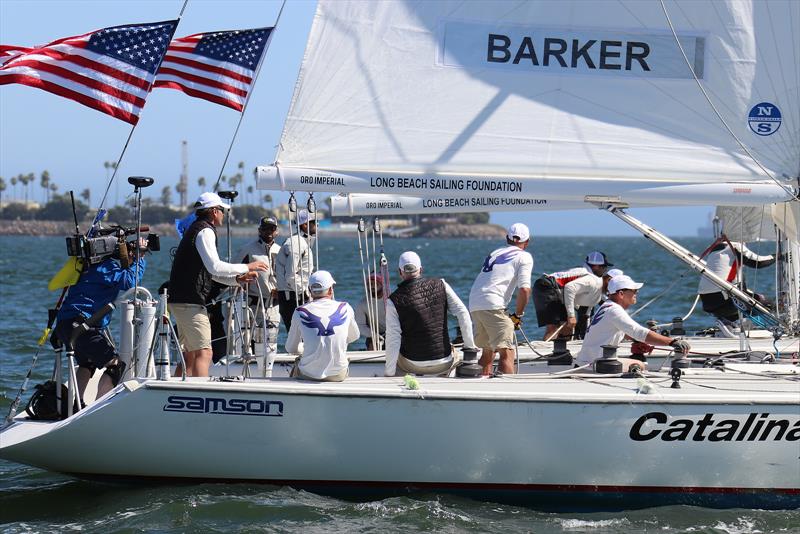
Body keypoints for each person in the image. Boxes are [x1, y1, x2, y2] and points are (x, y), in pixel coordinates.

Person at [168, 192, 267, 377]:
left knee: (190, 354)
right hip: (189, 302)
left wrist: (236, 280)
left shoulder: (196, 229)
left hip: (181, 300)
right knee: (204, 353)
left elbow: (210, 273)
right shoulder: (205, 231)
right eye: (222, 210)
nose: (224, 214)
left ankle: (177, 394)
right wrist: (246, 266)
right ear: (214, 211)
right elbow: (215, 267)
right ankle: (199, 397)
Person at [54, 238, 147, 402]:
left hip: (66, 325)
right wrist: (139, 257)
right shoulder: (106, 267)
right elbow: (130, 282)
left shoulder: (84, 266)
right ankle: (95, 409)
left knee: (86, 364)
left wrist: (130, 260)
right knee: (115, 366)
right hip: (82, 327)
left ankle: (76, 405)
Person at [386, 251, 476, 377]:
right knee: (452, 353)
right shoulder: (442, 285)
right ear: (421, 269)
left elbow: (393, 339)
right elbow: (463, 313)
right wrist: (470, 346)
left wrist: (388, 374)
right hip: (443, 362)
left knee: (397, 361)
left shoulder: (393, 300)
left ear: (400, 272)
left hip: (413, 363)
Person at [576, 275, 691, 370]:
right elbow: (638, 332)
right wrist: (672, 342)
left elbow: (622, 331)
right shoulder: (614, 310)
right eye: (634, 291)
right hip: (593, 365)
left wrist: (638, 341)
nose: (637, 293)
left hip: (587, 361)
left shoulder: (606, 306)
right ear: (621, 294)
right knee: (640, 365)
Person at [468, 223, 533, 375]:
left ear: (507, 238)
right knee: (507, 352)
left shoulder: (495, 252)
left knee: (488, 351)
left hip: (475, 303)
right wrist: (518, 315)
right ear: (527, 242)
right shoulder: (524, 256)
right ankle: (510, 393)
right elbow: (524, 289)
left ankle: (482, 386)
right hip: (493, 303)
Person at [285, 270, 359, 381]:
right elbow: (355, 336)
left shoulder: (300, 311)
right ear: (330, 289)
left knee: (298, 363)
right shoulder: (345, 308)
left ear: (310, 291)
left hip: (308, 374)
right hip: (338, 375)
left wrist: (305, 347)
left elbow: (290, 348)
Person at [532, 251, 614, 340]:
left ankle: (561, 351)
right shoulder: (590, 279)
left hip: (547, 286)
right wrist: (571, 316)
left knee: (567, 327)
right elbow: (569, 288)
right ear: (595, 266)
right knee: (554, 328)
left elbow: (585, 311)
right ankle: (548, 351)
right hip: (547, 286)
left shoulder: (587, 274)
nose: (605, 270)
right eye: (604, 267)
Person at [698, 240, 775, 323]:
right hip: (725, 301)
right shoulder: (735, 246)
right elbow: (758, 262)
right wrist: (777, 256)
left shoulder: (714, 251)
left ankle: (729, 323)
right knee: (768, 303)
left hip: (706, 303)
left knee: (743, 297)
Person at [237, 216, 281, 353]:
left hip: (274, 306)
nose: (268, 231)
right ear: (259, 230)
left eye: (272, 228)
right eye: (265, 228)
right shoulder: (248, 249)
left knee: (270, 345)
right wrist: (242, 280)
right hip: (254, 305)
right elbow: (234, 271)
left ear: (277, 231)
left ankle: (267, 371)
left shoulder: (281, 251)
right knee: (252, 343)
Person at [275, 209, 317, 331]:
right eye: (314, 222)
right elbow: (291, 275)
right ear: (304, 225)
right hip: (293, 298)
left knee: (303, 337)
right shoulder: (296, 244)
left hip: (295, 296)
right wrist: (306, 293)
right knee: (299, 338)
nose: (317, 225)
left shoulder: (300, 242)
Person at [355, 273, 387, 350]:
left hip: (393, 333)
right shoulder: (363, 304)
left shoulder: (392, 300)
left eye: (376, 283)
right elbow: (360, 325)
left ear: (382, 285)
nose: (372, 286)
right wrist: (374, 335)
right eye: (370, 284)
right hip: (374, 335)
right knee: (373, 344)